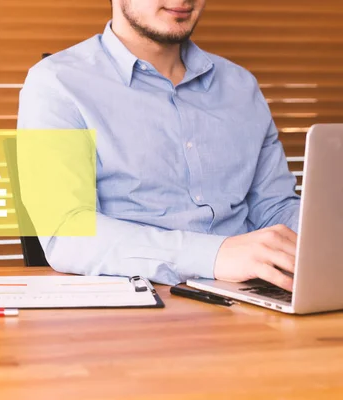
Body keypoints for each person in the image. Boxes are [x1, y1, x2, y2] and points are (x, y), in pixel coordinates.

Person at [16, 0, 300, 291]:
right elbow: (68, 233)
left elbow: (275, 207)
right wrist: (214, 255)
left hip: (256, 294)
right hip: (136, 304)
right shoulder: (57, 83)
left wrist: (324, 236)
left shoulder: (240, 85)